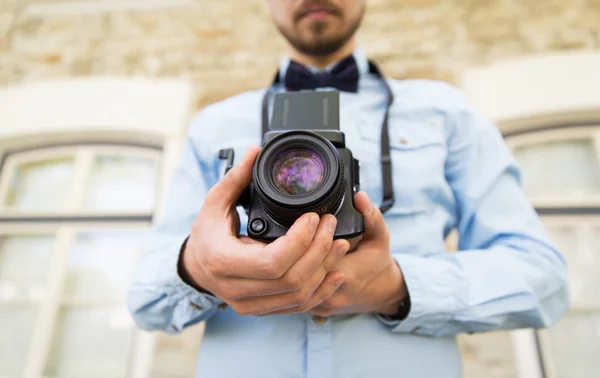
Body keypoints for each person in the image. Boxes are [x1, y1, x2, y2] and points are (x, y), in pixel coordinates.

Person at [127, 1, 570, 377]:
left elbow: (543, 278)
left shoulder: (447, 112)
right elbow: (144, 297)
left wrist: (396, 287)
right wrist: (198, 268)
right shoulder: (214, 125)